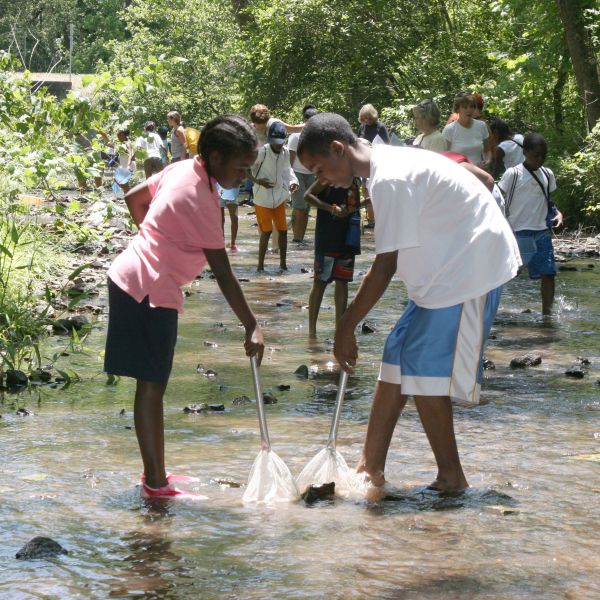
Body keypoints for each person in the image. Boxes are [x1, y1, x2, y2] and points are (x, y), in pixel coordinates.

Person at [297, 113, 520, 494]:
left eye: (319, 168)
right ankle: (369, 468)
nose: (321, 180)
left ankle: (452, 478)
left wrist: (344, 327)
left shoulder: (389, 178)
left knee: (423, 369)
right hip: (442, 274)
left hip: (468, 271)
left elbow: (385, 267)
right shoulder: (388, 164)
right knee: (397, 355)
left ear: (338, 148)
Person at [104, 115, 264, 499]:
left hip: (134, 277)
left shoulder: (182, 169)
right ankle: (156, 485)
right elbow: (223, 274)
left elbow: (133, 198)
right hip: (148, 290)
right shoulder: (202, 200)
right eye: (240, 168)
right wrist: (251, 325)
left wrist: (156, 240)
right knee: (151, 387)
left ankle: (156, 472)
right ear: (215, 156)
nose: (244, 177)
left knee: (152, 384)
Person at [497, 133, 563, 315]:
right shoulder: (514, 174)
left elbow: (548, 200)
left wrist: (557, 213)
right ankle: (487, 304)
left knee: (549, 273)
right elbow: (499, 198)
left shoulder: (548, 174)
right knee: (510, 272)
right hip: (518, 232)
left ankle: (547, 315)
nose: (540, 159)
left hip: (542, 231)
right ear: (525, 152)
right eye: (536, 155)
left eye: (543, 155)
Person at [304, 178, 361, 337]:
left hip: (348, 238)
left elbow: (355, 204)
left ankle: (339, 330)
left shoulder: (355, 179)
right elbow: (307, 195)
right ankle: (312, 333)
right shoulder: (328, 176)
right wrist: (330, 208)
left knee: (343, 282)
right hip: (327, 238)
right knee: (320, 282)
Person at [249, 121, 298, 272]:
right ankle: (260, 266)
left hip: (279, 196)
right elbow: (246, 168)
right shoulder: (262, 152)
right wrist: (257, 181)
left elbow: (287, 171)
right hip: (262, 197)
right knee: (267, 231)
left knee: (283, 230)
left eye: (280, 142)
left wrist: (293, 181)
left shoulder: (285, 152)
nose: (278, 145)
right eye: (275, 143)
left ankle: (283, 264)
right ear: (270, 140)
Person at [288, 107, 319, 244]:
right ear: (305, 120)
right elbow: (290, 158)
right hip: (297, 173)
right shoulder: (295, 136)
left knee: (307, 208)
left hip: (311, 174)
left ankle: (301, 237)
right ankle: (296, 238)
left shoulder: (318, 136)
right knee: (299, 206)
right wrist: (289, 178)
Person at [357, 104, 389, 229]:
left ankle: (380, 219)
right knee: (365, 190)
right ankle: (371, 220)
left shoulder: (380, 127)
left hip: (378, 161)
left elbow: (387, 143)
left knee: (376, 190)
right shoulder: (362, 127)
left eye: (369, 118)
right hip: (365, 161)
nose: (367, 120)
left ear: (374, 116)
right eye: (364, 118)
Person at [442, 92, 492, 168]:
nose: (469, 110)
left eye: (471, 106)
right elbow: (443, 157)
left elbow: (487, 151)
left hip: (478, 173)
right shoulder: (450, 129)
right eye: (465, 107)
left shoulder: (482, 126)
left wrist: (487, 161)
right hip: (457, 174)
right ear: (457, 109)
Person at [217, 183, 240, 252]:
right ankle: (221, 243)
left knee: (235, 219)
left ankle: (233, 244)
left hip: (232, 191)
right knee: (220, 220)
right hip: (219, 191)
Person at [113, 128, 136, 194]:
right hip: (124, 165)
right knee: (117, 180)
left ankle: (126, 196)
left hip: (128, 165)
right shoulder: (123, 143)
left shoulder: (127, 143)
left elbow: (130, 154)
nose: (117, 137)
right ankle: (118, 196)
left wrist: (128, 165)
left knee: (123, 182)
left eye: (118, 135)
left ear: (122, 134)